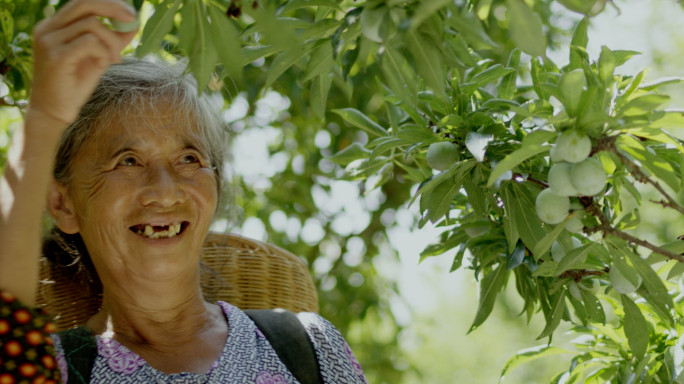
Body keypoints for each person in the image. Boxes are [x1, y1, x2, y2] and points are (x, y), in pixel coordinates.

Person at [0, 0, 368, 382]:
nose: (166, 191)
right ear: (63, 203)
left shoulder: (309, 347)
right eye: (128, 160)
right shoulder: (55, 369)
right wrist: (42, 119)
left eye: (189, 159)